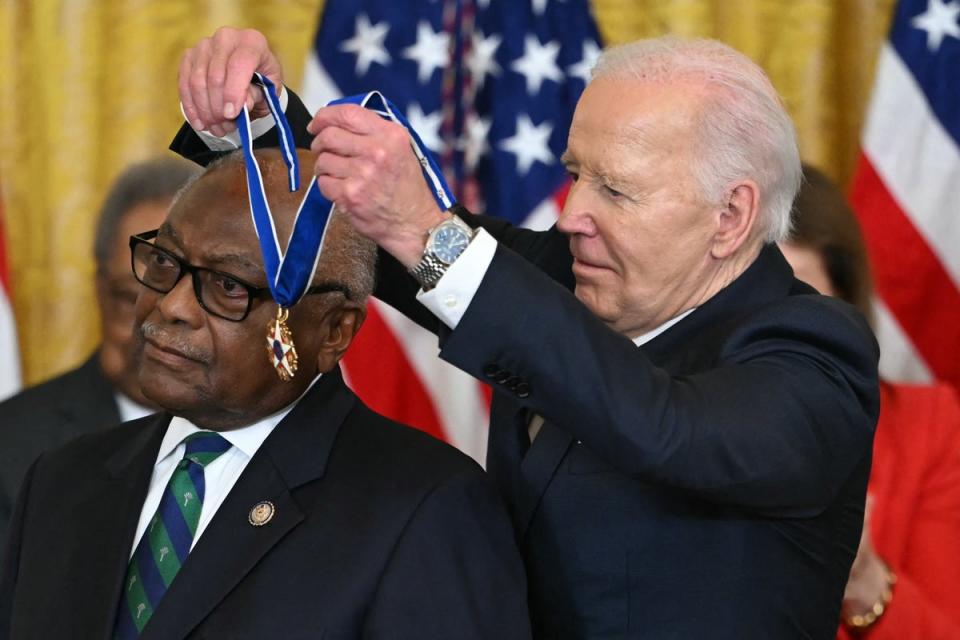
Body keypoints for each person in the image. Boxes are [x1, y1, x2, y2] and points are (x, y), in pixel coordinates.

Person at [173, 29, 880, 638]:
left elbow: (662, 425)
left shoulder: (815, 355)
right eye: (576, 175)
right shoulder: (568, 278)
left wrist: (430, 233)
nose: (573, 214)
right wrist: (253, 119)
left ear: (730, 217)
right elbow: (373, 230)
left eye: (617, 189)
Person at [0, 149, 531, 639]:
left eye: (229, 286)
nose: (172, 307)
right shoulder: (63, 481)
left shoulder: (426, 510)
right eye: (165, 262)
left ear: (332, 332)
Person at [780, 164, 960, 639]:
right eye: (745, 296)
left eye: (796, 297)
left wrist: (862, 579)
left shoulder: (926, 426)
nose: (769, 326)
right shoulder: (666, 425)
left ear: (846, 308)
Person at [0, 157, 198, 571]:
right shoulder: (13, 443)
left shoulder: (257, 433)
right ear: (99, 292)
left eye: (178, 303)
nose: (154, 328)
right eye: (131, 298)